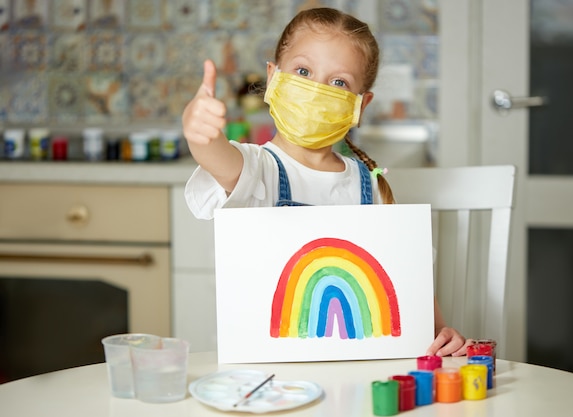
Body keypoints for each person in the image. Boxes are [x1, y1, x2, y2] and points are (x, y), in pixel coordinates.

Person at [182, 7, 469, 357]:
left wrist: (440, 333)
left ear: (360, 106)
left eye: (339, 83)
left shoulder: (372, 187)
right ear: (273, 78)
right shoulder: (258, 169)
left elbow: (410, 284)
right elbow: (216, 157)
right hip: (264, 380)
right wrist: (199, 132)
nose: (316, 91)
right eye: (303, 71)